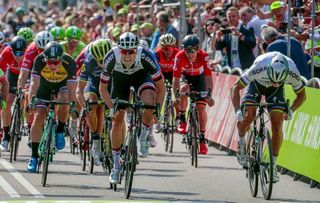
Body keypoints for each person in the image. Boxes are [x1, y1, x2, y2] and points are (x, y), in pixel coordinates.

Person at [99, 32, 165, 184]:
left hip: (141, 77)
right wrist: (111, 108)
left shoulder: (146, 55)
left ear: (137, 49)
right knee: (117, 120)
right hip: (120, 82)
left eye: (131, 51)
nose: (127, 55)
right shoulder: (111, 57)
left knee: (149, 100)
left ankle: (144, 134)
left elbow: (161, 88)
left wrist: (157, 109)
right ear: (119, 49)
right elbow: (102, 89)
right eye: (124, 51)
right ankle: (116, 166)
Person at [230, 51, 306, 183]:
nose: (274, 83)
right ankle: (241, 141)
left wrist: (291, 110)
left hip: (275, 93)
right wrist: (237, 110)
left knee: (277, 124)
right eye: (272, 80)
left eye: (278, 81)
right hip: (255, 86)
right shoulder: (260, 66)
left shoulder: (292, 71)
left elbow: (302, 96)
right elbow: (235, 88)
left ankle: (273, 166)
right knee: (250, 116)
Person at [27, 42, 77, 172]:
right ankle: (33, 156)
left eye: (56, 62)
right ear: (45, 59)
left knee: (64, 99)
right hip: (43, 88)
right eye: (50, 62)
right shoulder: (39, 60)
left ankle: (60, 129)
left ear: (61, 59)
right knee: (38, 117)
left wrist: (72, 105)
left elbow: (72, 88)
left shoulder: (69, 62)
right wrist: (31, 101)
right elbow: (34, 83)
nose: (53, 65)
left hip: (61, 87)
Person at [173, 34, 214, 155]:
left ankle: (202, 138)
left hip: (199, 79)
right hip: (186, 77)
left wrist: (209, 95)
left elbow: (208, 77)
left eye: (193, 51)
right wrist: (177, 95)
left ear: (198, 50)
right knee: (183, 88)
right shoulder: (179, 56)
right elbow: (176, 79)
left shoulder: (204, 56)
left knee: (201, 108)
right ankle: (182, 117)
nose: (190, 55)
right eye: (187, 51)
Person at [76, 39, 113, 166]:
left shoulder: (116, 58)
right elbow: (79, 89)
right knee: (92, 105)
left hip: (110, 85)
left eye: (106, 60)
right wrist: (84, 107)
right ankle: (96, 140)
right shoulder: (89, 61)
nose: (103, 64)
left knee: (107, 109)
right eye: (100, 61)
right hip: (93, 84)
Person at [0, 36, 27, 152]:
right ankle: (6, 135)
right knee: (7, 104)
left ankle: (25, 120)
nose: (19, 56)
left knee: (27, 96)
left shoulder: (29, 55)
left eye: (21, 53)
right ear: (11, 50)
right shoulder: (6, 53)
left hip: (26, 75)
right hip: (12, 76)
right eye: (16, 53)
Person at [154, 34, 179, 135]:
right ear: (161, 48)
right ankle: (157, 120)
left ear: (174, 47)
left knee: (178, 96)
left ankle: (178, 119)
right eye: (165, 48)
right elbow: (155, 70)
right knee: (157, 94)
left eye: (170, 48)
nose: (168, 51)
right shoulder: (157, 54)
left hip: (174, 74)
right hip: (161, 74)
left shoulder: (178, 54)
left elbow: (179, 72)